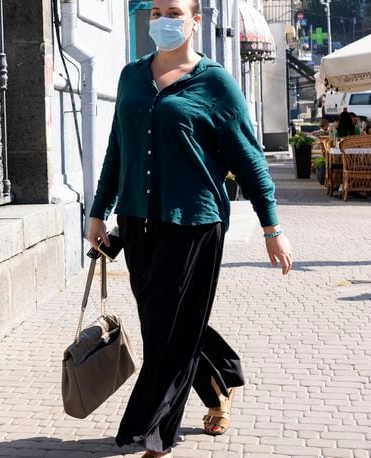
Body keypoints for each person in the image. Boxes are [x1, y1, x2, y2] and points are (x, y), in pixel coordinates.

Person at [86, 0, 294, 455]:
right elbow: (117, 148)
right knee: (166, 322)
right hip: (137, 222)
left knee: (169, 330)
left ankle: (154, 436)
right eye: (156, 11)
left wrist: (271, 227)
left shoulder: (216, 82)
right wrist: (98, 211)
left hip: (195, 222)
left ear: (195, 21)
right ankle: (221, 383)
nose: (163, 20)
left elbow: (250, 160)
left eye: (174, 11)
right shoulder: (131, 76)